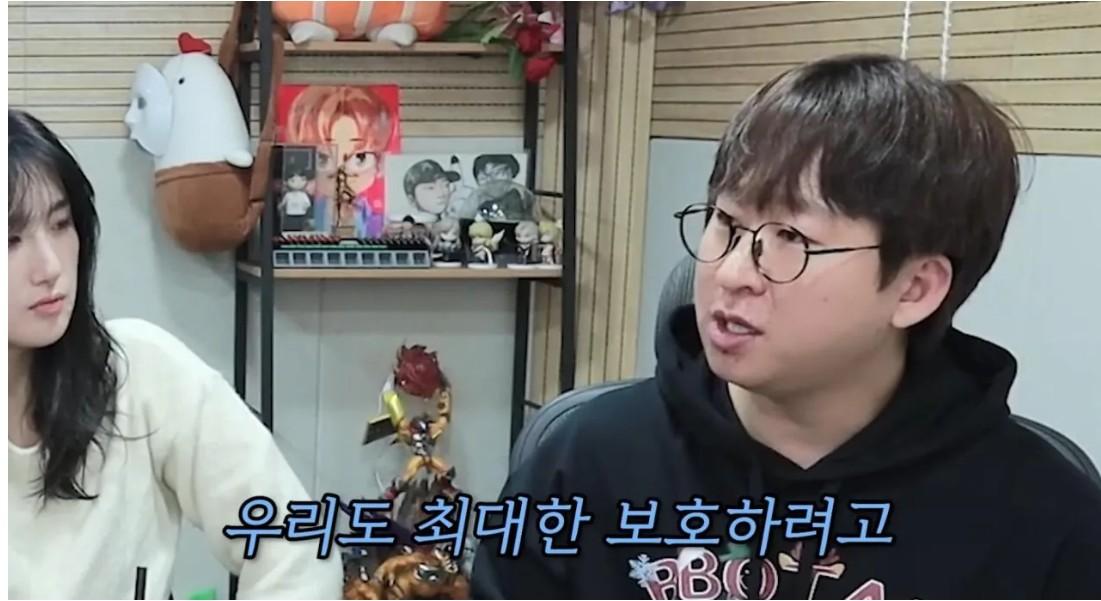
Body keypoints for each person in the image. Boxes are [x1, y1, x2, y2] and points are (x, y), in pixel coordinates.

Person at [470, 54, 1101, 599]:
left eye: (793, 239)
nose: (732, 272)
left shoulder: (1043, 517)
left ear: (914, 288)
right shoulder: (586, 459)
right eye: (727, 224)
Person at [8, 109, 344, 598]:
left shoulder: (141, 372)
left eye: (61, 224)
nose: (50, 266)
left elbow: (295, 543)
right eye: (11, 240)